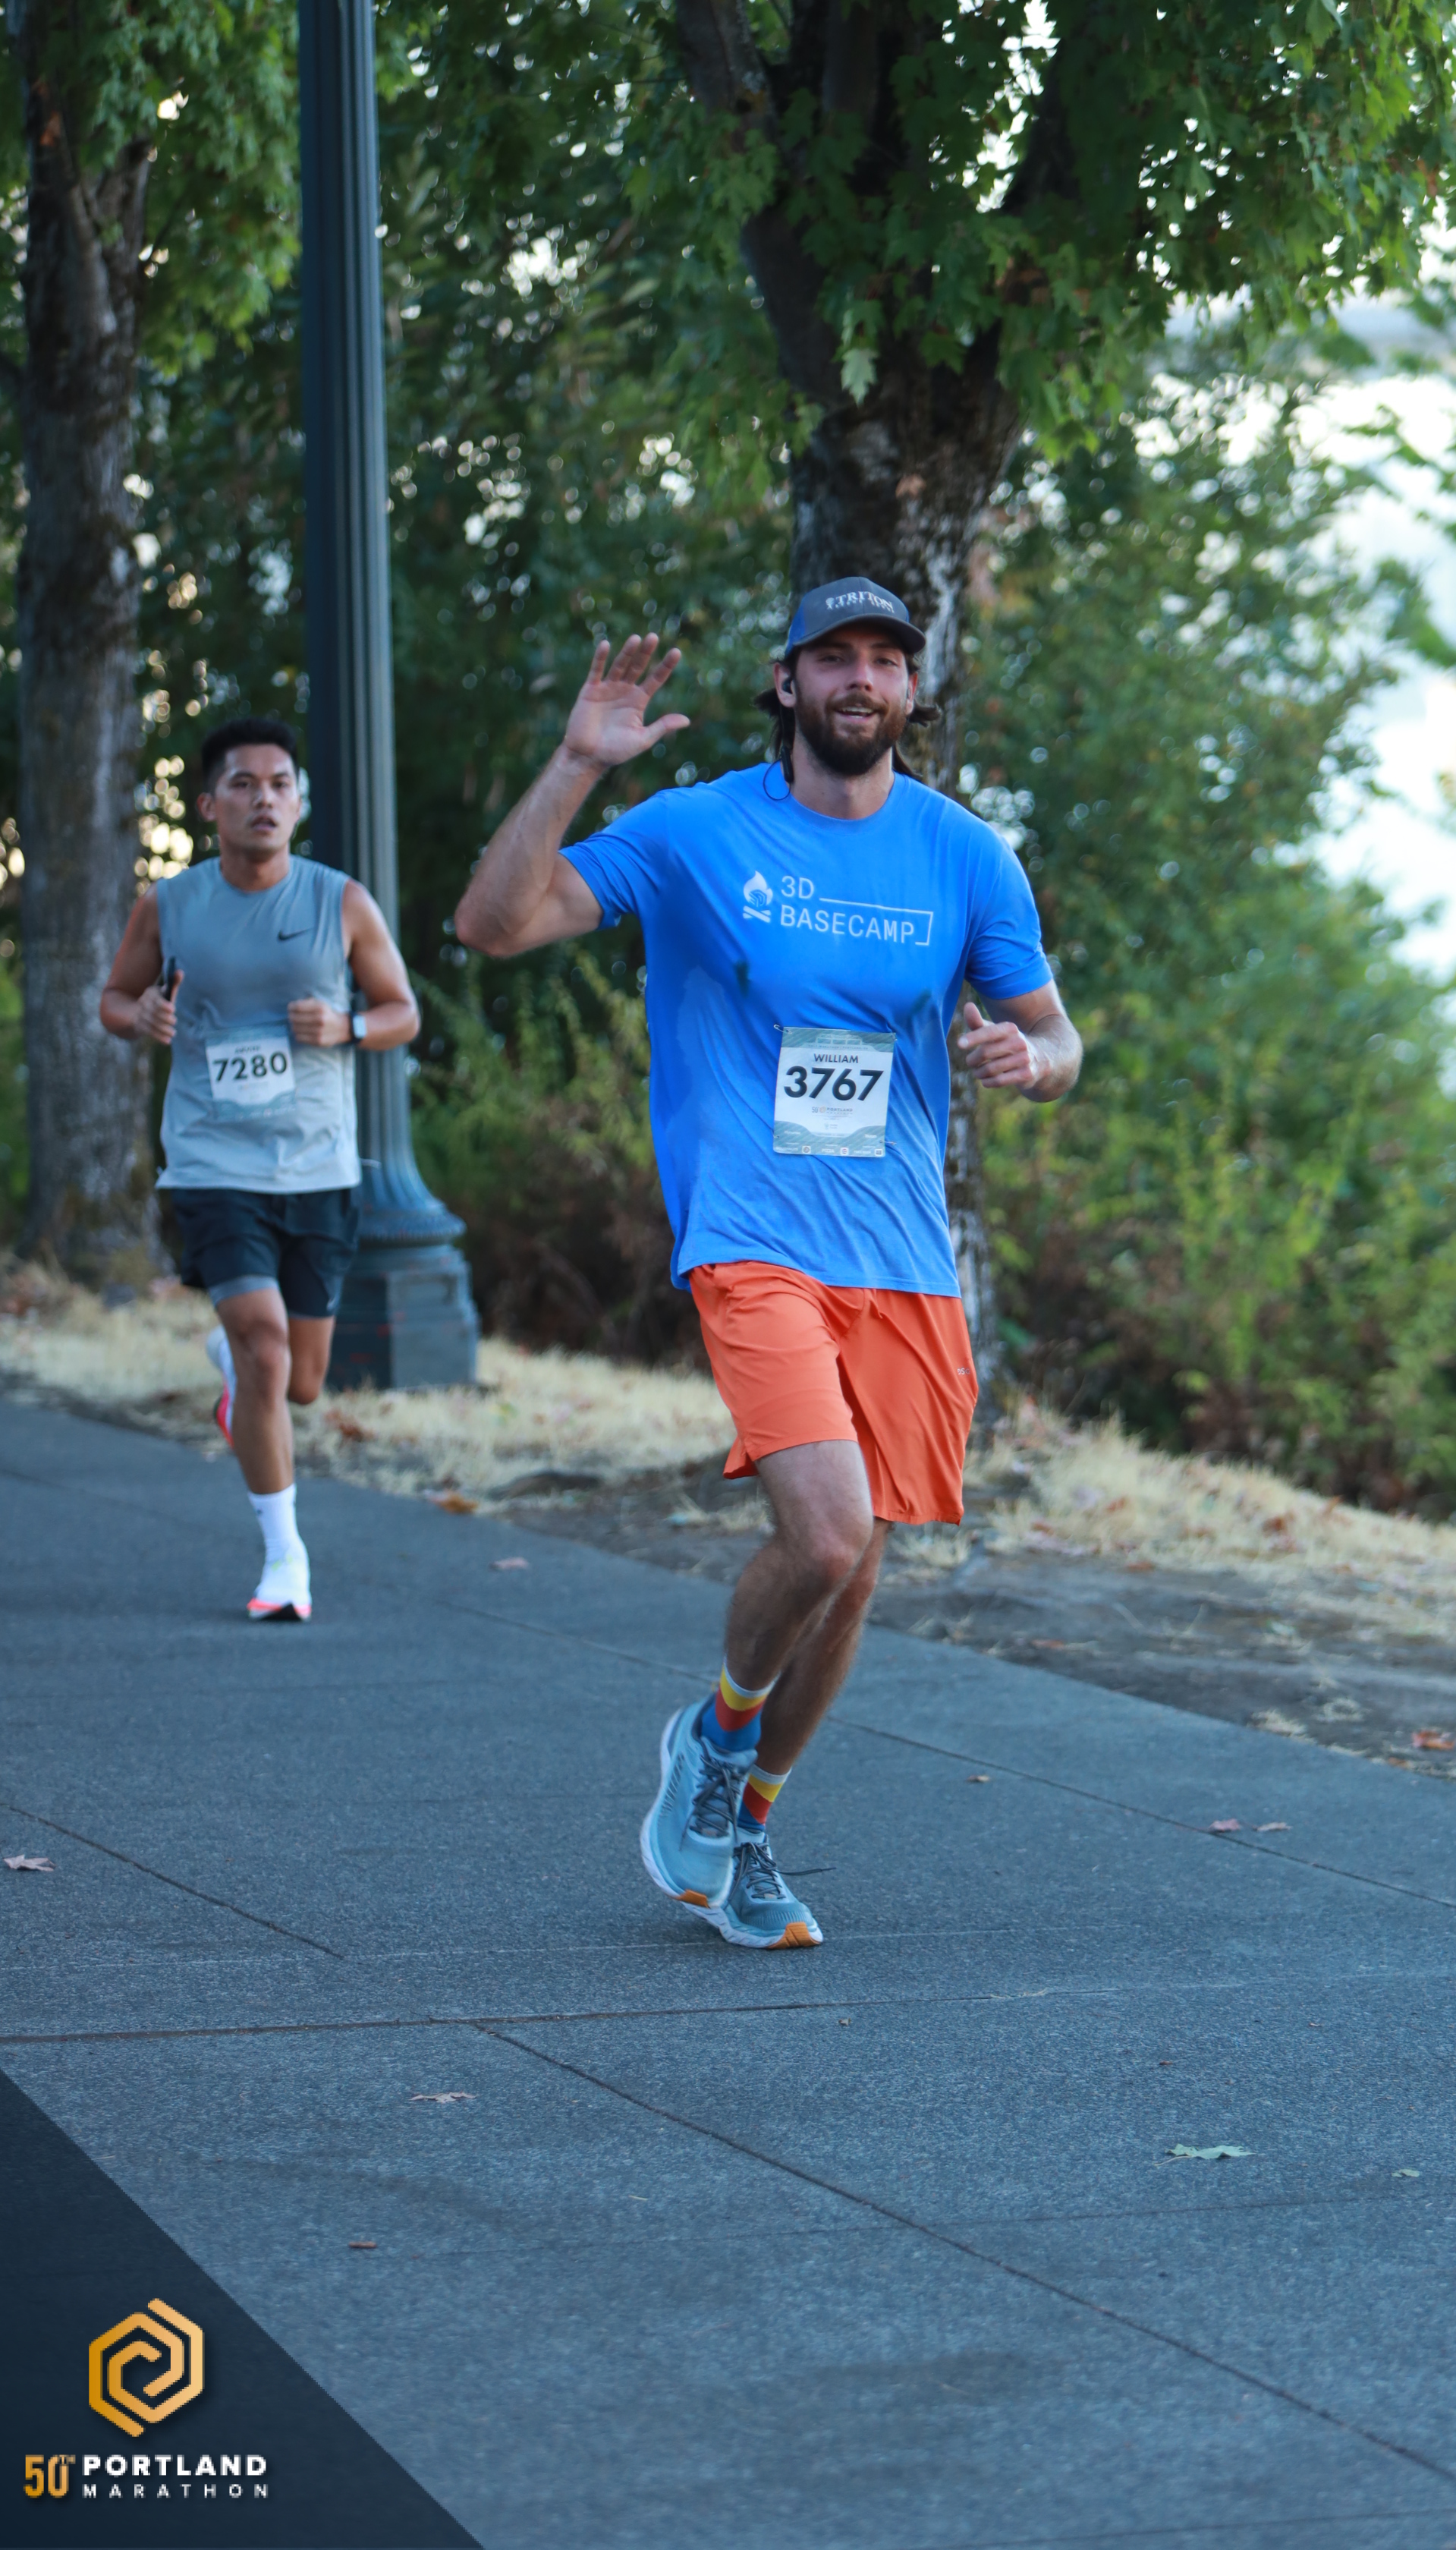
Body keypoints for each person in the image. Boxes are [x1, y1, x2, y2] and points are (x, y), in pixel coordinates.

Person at [455, 578, 1082, 1947]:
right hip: (753, 1238)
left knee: (854, 1577)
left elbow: (1057, 1034)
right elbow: (494, 925)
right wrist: (576, 765)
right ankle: (716, 1735)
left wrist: (1029, 1060)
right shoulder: (697, 830)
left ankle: (745, 1825)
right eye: (833, 657)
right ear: (787, 683)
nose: (862, 679)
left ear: (912, 689)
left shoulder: (966, 854)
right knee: (828, 1532)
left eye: (886, 660)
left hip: (902, 1257)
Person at [100, 716, 420, 1620]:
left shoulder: (339, 900)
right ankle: (285, 1560)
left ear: (300, 802)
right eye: (243, 784)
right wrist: (141, 1019)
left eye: (280, 784)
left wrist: (348, 1026)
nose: (264, 799)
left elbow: (402, 1012)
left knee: (299, 1381)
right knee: (266, 1343)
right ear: (209, 806)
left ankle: (237, 1374)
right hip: (211, 1159)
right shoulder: (170, 905)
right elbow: (113, 998)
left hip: (317, 1164)